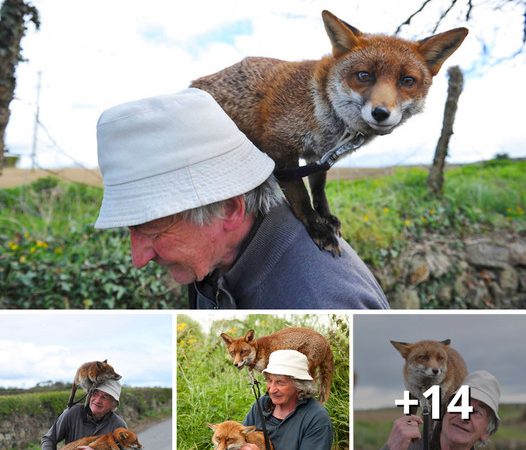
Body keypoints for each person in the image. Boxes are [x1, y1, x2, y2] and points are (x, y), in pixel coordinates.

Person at [94, 88, 389, 309]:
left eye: (152, 227)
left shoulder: (323, 301)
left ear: (230, 209)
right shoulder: (217, 257)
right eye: (132, 227)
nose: (138, 259)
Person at [383, 370, 501, 450]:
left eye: (477, 412)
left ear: (486, 432)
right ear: (445, 411)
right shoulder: (407, 447)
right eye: (459, 403)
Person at [242, 349, 333, 450]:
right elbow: (241, 439)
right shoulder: (262, 405)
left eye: (280, 382)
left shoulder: (315, 418)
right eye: (269, 380)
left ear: (299, 385)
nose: (272, 390)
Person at [41, 379, 126, 450]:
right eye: (95, 393)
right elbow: (49, 439)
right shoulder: (73, 413)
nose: (97, 400)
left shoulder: (119, 426)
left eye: (105, 397)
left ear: (113, 404)